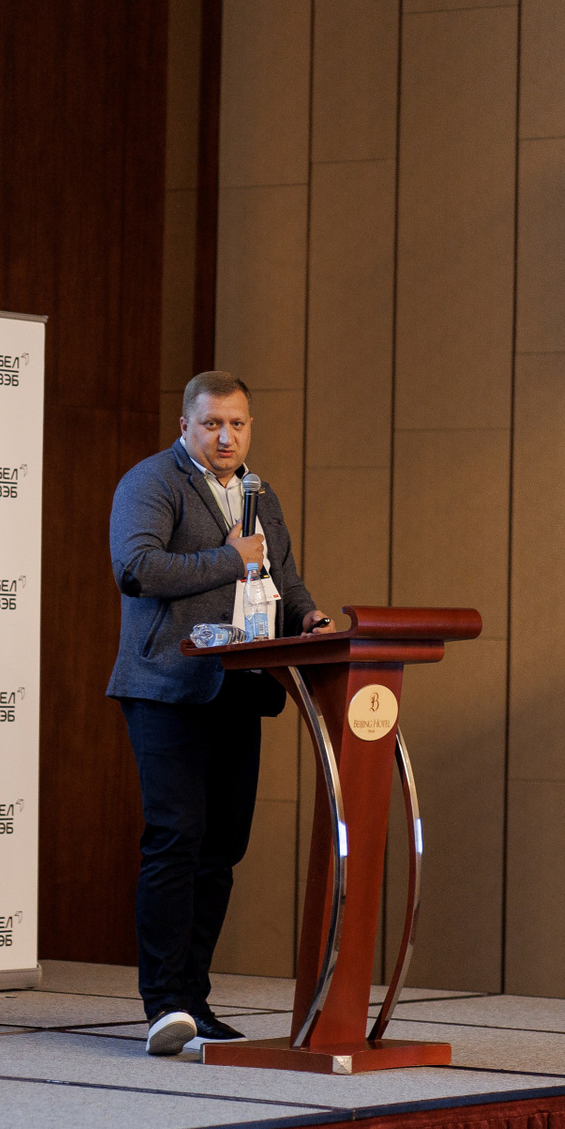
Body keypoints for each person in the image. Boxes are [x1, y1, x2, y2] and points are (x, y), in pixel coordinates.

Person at [108, 371, 333, 1057]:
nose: (225, 436)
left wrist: (308, 618)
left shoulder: (260, 494)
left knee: (221, 848)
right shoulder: (152, 482)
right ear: (186, 426)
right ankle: (163, 1004)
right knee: (175, 838)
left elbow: (282, 578)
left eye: (237, 424)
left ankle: (194, 999)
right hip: (167, 686)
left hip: (239, 684)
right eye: (211, 424)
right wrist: (227, 558)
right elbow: (137, 568)